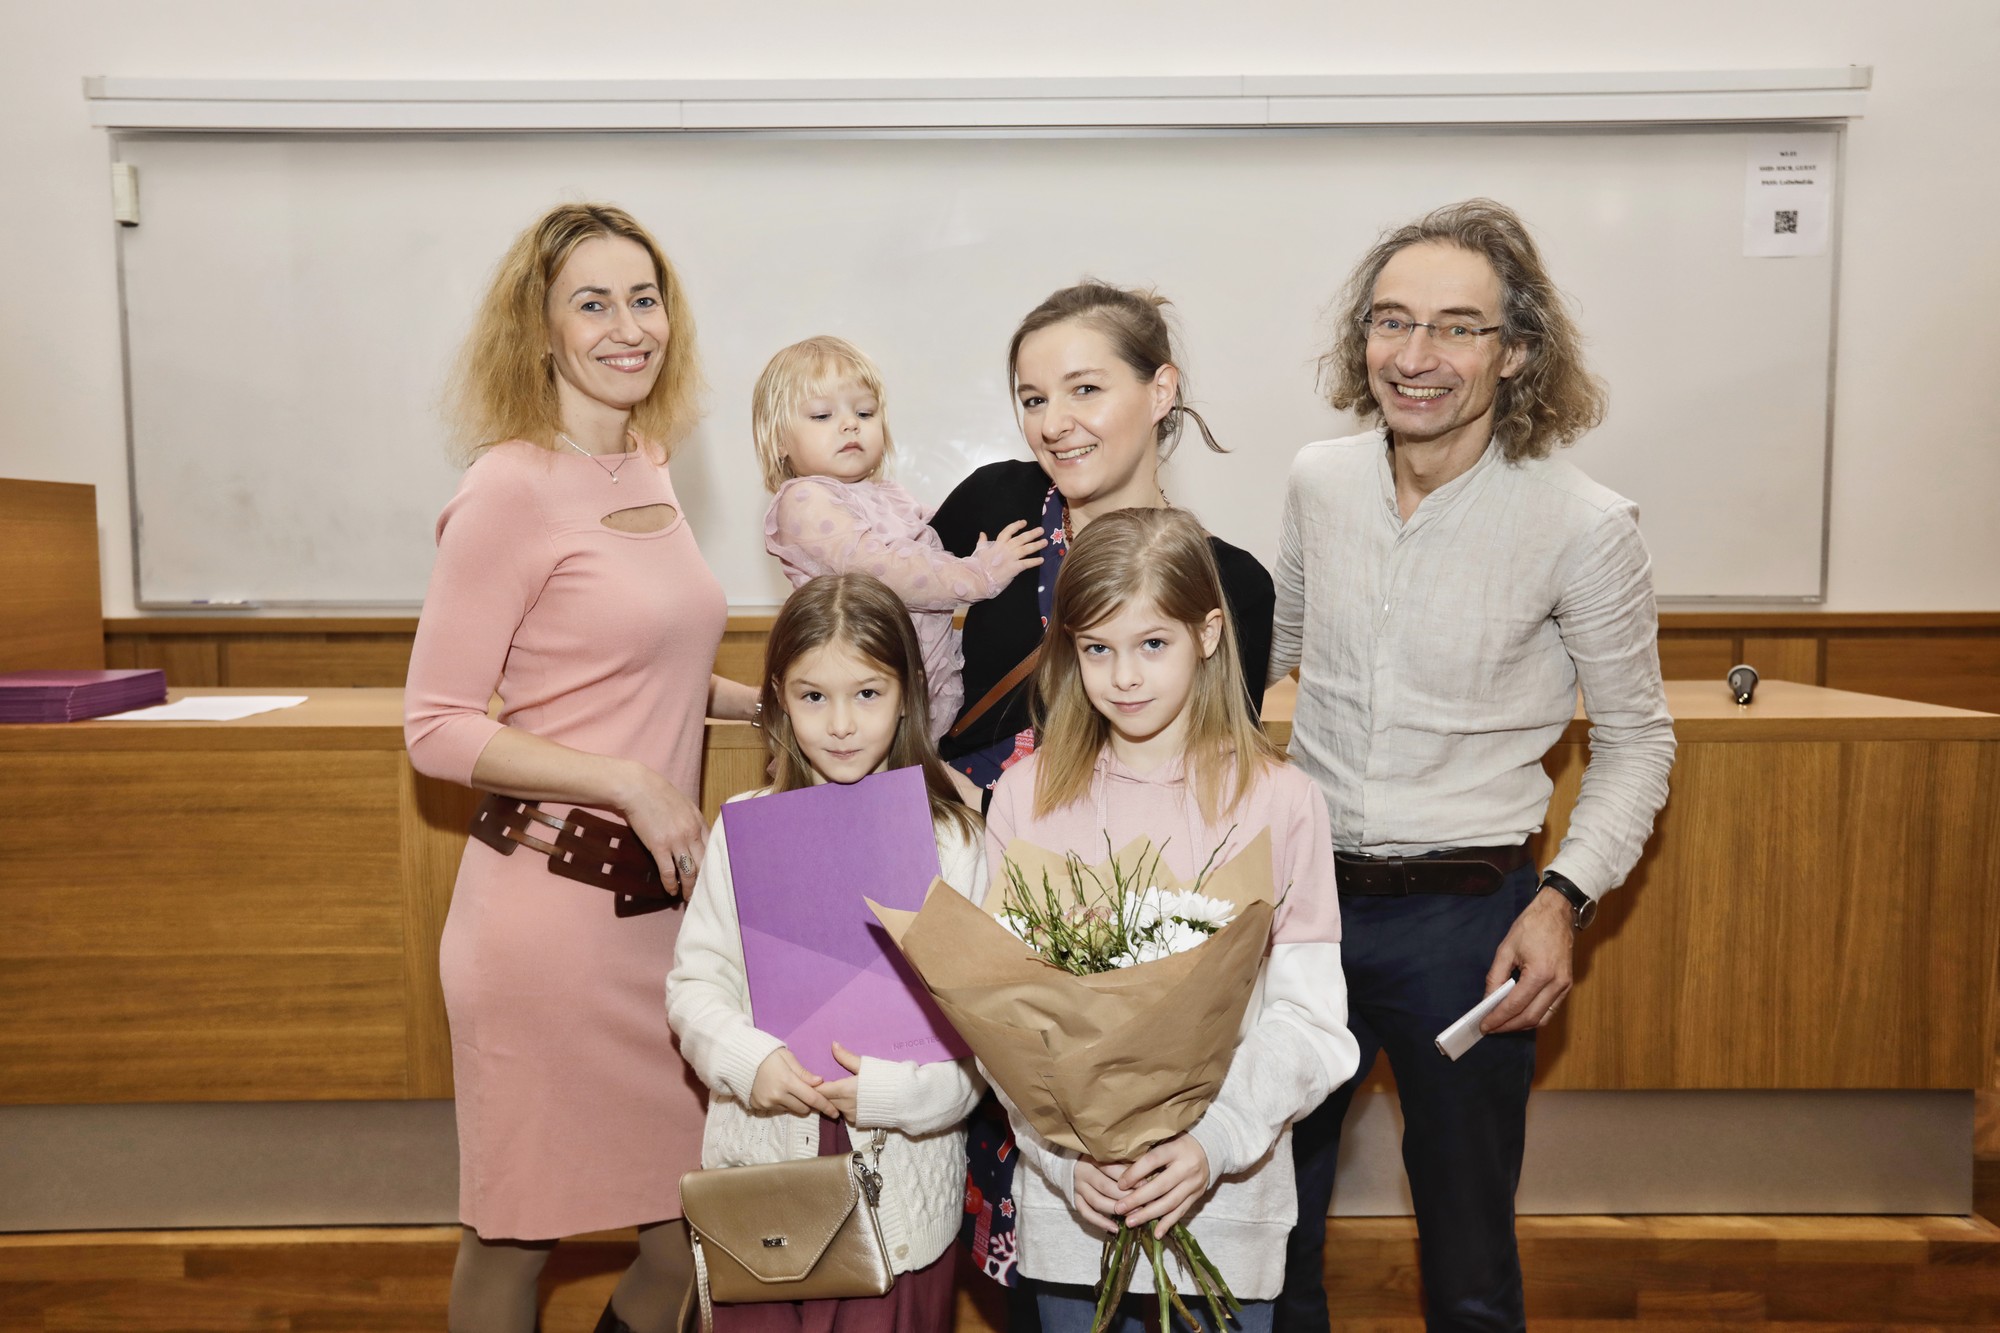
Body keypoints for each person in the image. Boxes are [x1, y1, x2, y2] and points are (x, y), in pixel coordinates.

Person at [1271, 199, 1677, 1333]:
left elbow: (1638, 740)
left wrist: (1562, 902)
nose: (1414, 357)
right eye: (1391, 322)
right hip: (1297, 913)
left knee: (1464, 1262)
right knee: (1272, 1234)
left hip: (1472, 927)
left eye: (1455, 328)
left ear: (1515, 352)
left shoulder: (1582, 523)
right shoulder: (1315, 481)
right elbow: (1266, 672)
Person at [405, 202, 760, 1333]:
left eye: (643, 298)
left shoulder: (646, 466)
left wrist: (780, 710)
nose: (627, 326)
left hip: (657, 919)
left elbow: (633, 667)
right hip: (545, 918)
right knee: (513, 1237)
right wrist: (629, 781)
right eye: (592, 302)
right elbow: (438, 726)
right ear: (541, 330)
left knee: (697, 1239)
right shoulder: (508, 487)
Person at [985, 507, 1360, 1333]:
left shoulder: (1282, 800)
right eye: (1096, 648)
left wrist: (1213, 1140)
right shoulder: (1025, 796)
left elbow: (1310, 1019)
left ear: (1210, 632)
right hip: (1077, 1212)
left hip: (1223, 1203)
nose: (1123, 676)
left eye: (1153, 643)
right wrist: (1060, 1152)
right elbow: (998, 1016)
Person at [667, 572, 987, 1333]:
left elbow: (983, 1042)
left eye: (867, 694)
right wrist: (750, 1061)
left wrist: (896, 1096)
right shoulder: (744, 826)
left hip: (902, 1189)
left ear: (908, 692)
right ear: (777, 697)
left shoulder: (954, 842)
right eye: (814, 697)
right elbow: (694, 984)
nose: (841, 723)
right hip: (766, 1180)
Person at [929, 282, 1274, 798]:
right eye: (1034, 400)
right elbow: (877, 632)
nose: (1053, 424)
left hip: (1109, 860)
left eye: (1085, 390)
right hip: (955, 834)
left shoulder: (1231, 582)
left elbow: (1215, 775)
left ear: (1161, 391)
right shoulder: (994, 500)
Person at [756, 335, 1045, 743]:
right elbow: (883, 572)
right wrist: (979, 576)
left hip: (927, 690)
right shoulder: (804, 501)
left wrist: (984, 547)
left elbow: (937, 539)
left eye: (865, 411)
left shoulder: (888, 493)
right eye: (822, 415)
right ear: (779, 441)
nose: (849, 423)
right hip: (858, 703)